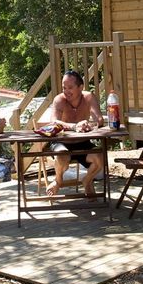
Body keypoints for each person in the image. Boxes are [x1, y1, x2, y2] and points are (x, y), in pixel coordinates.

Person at [44, 70, 105, 199]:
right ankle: (58, 181)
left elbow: (99, 119)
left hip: (82, 143)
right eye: (64, 87)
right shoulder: (59, 100)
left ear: (81, 87)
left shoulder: (88, 97)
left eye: (70, 87)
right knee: (62, 156)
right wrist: (74, 126)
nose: (66, 91)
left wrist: (89, 124)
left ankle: (87, 181)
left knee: (100, 158)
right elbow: (53, 122)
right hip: (62, 142)